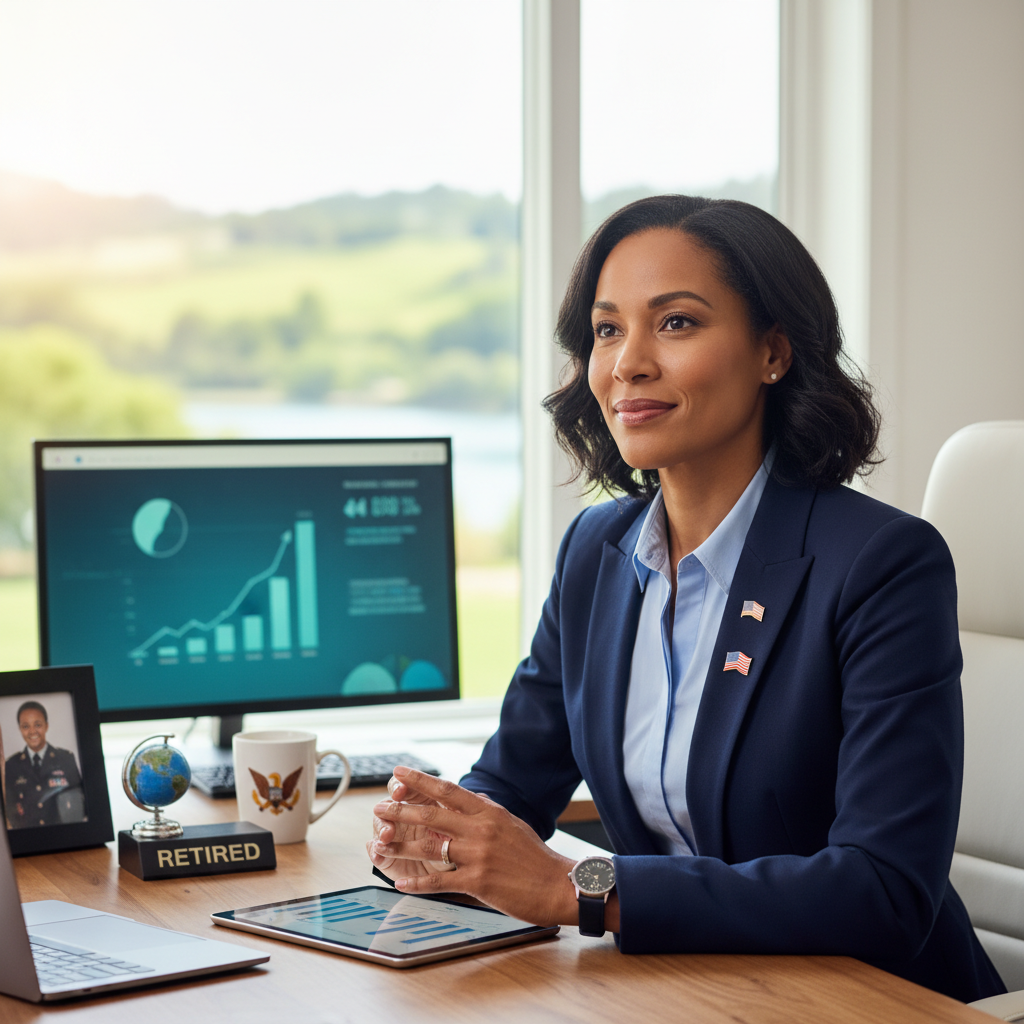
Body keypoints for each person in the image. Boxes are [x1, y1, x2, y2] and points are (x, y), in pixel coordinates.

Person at [367, 195, 1004, 1003]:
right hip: (678, 989)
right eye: (606, 329)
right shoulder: (596, 553)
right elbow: (512, 787)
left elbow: (882, 891)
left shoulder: (882, 564)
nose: (628, 361)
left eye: (675, 323)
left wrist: (581, 889)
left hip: (871, 1000)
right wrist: (432, 836)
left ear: (774, 351)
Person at [5, 700, 86, 829]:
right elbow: (9, 810)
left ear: (46, 726)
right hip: (27, 840)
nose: (32, 731)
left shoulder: (65, 759)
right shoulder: (10, 766)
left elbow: (79, 802)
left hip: (63, 837)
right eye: (26, 726)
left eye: (37, 725)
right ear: (20, 729)